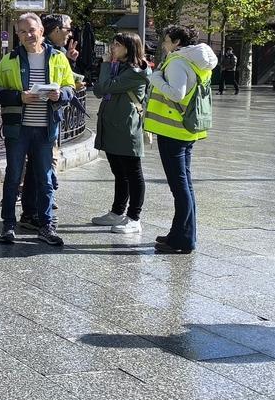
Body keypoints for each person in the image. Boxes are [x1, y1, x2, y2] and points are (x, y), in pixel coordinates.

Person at [0, 12, 76, 246]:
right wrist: (19, 97)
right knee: (12, 178)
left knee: (45, 179)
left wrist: (61, 94)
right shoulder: (9, 60)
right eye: (23, 31)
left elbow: (70, 87)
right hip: (18, 129)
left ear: (41, 31)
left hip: (46, 128)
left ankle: (46, 225)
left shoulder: (58, 58)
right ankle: (8, 226)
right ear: (18, 35)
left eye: (32, 30)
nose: (29, 35)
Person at [146, 25, 217, 254]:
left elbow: (176, 93)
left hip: (173, 130)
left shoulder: (178, 62)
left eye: (166, 40)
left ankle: (182, 240)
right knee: (185, 184)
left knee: (180, 187)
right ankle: (183, 234)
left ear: (177, 42)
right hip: (186, 129)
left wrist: (155, 77)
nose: (164, 44)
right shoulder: (197, 61)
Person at [90, 33, 150, 234]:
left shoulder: (136, 71)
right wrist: (108, 69)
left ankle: (134, 218)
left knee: (133, 173)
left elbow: (105, 86)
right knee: (119, 172)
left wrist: (106, 65)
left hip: (126, 128)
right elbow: (99, 90)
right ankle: (117, 212)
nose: (112, 48)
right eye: (113, 43)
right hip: (112, 126)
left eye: (117, 45)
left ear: (129, 47)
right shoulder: (119, 68)